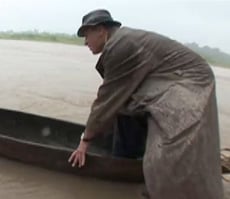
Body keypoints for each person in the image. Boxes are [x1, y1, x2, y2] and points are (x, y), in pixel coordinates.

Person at [68, 9, 224, 199]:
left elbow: (106, 99)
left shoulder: (121, 45)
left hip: (190, 82)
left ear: (101, 30)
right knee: (127, 106)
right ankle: (126, 160)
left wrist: (85, 142)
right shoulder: (119, 41)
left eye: (87, 35)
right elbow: (117, 98)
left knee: (170, 148)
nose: (85, 42)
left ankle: (166, 188)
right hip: (172, 80)